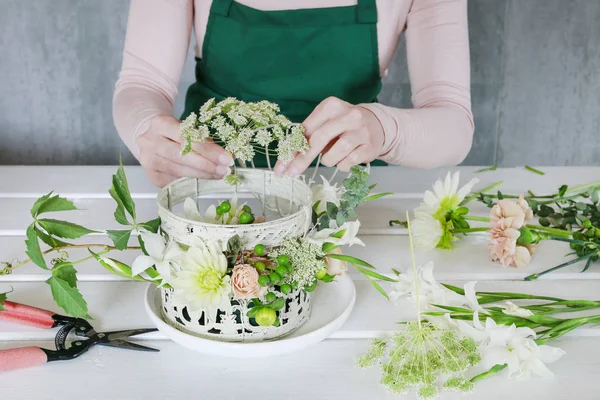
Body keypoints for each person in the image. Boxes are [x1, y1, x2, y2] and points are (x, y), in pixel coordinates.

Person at [113, 0, 473, 187]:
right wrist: (147, 129)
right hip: (213, 198)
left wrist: (385, 129)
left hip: (346, 202)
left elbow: (454, 123)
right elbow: (143, 83)